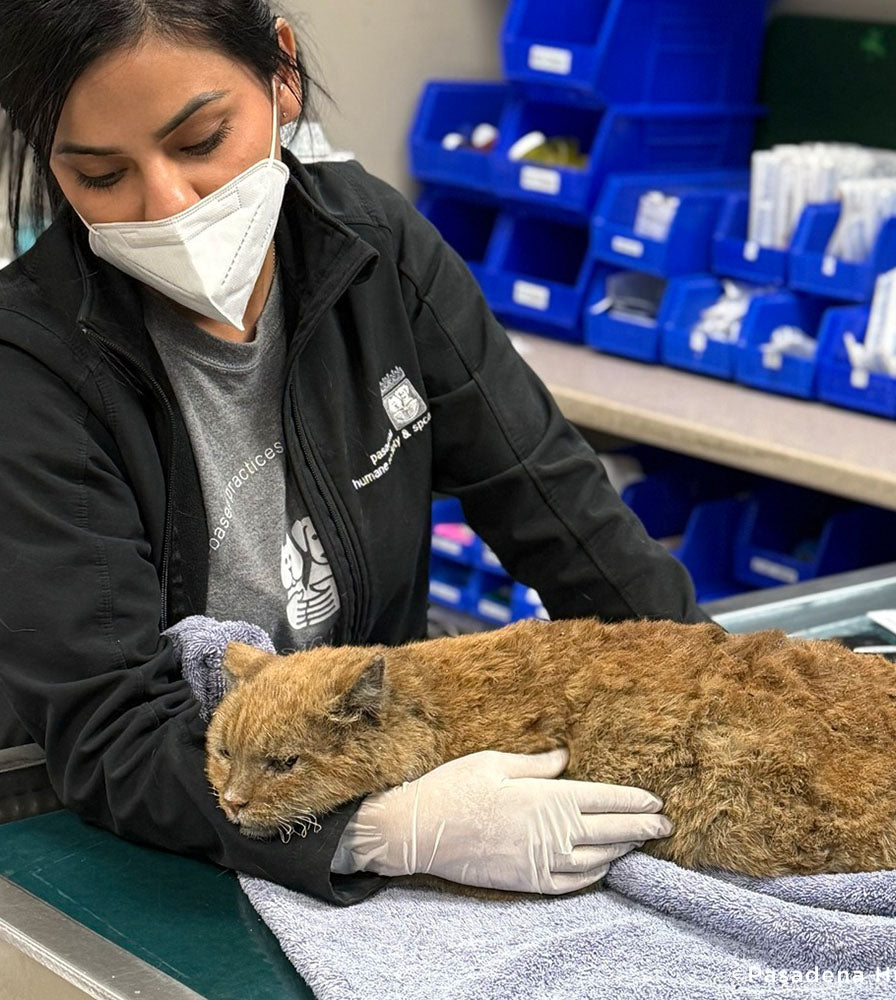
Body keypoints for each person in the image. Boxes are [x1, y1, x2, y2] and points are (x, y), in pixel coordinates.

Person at [0, 0, 708, 906]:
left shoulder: (370, 247)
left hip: (357, 769)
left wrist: (729, 687)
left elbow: (564, 515)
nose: (169, 206)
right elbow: (109, 730)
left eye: (203, 139)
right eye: (101, 176)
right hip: (140, 840)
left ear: (282, 74)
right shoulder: (29, 369)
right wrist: (378, 832)